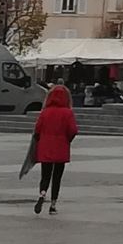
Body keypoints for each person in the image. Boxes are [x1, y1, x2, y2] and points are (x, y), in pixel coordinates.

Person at [32, 84, 79, 215]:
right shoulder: (68, 112)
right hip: (61, 147)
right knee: (57, 177)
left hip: (46, 147)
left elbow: (37, 129)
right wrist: (67, 140)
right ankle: (53, 205)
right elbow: (73, 130)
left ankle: (42, 193)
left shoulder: (45, 112)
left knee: (45, 175)